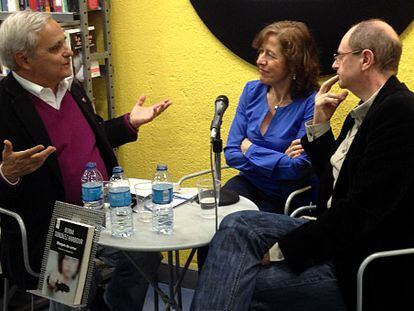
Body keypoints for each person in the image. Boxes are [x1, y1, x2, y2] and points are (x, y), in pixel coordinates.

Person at [191, 19, 414, 311]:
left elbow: (359, 213)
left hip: (357, 262)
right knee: (236, 223)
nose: (334, 65)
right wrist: (320, 123)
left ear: (365, 59)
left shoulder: (400, 113)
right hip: (333, 235)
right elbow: (331, 183)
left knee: (233, 276)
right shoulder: (364, 112)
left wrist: (285, 248)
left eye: (339, 56)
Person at [0, 11, 171, 311]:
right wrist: (7, 173)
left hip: (104, 210)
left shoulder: (73, 89)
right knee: (75, 277)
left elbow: (93, 136)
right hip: (51, 226)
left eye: (64, 42)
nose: (69, 51)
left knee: (147, 251)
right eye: (55, 48)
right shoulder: (4, 104)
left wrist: (129, 122)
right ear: (23, 60)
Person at [223, 20, 319, 214]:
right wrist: (279, 160)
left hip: (286, 196)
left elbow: (298, 167)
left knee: (238, 225)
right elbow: (232, 153)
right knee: (214, 217)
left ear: (293, 63)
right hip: (247, 184)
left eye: (270, 55)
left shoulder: (312, 101)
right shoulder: (252, 90)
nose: (260, 60)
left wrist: (249, 149)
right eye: (260, 52)